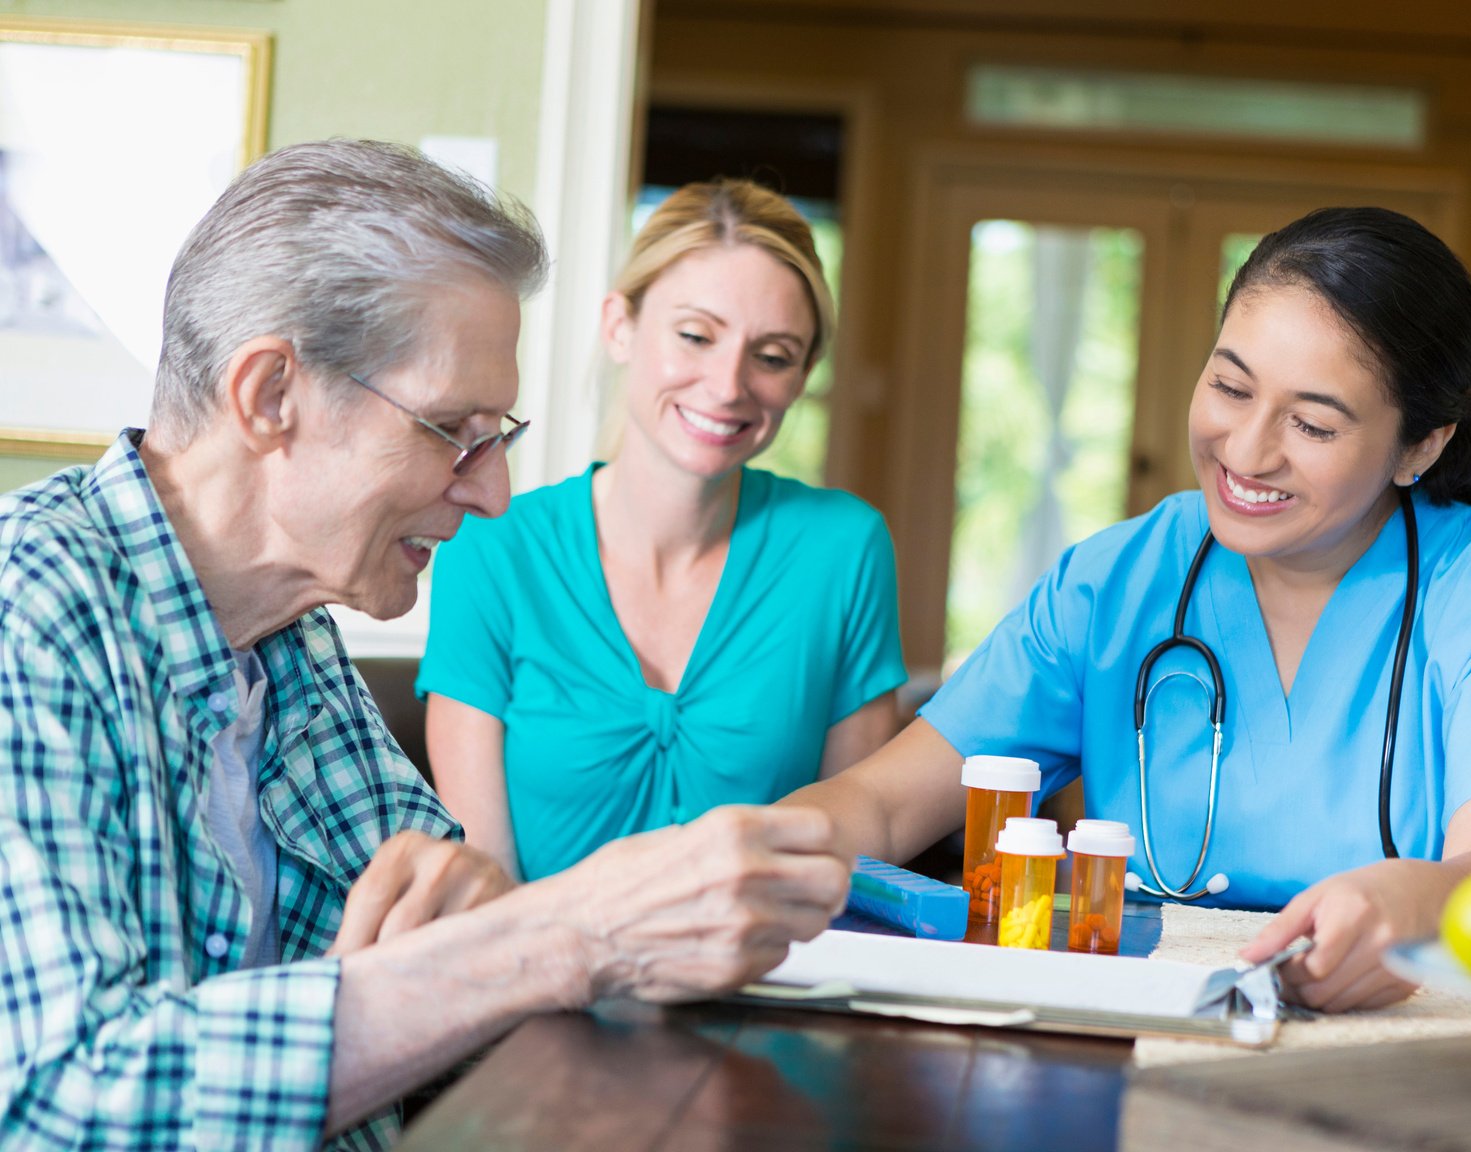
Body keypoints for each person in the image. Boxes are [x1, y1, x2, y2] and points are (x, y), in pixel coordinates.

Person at [0, 140, 849, 1150]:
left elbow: (466, 929)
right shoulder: (32, 611)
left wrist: (491, 928)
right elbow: (63, 1099)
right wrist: (553, 935)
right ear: (272, 396)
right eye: (455, 430)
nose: (493, 493)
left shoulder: (287, 639)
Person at [778, 206, 1471, 1013]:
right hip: (1135, 1034)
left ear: (1421, 446)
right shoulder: (1113, 582)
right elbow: (883, 804)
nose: (1247, 451)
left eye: (1314, 426)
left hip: (1404, 1058)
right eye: (1229, 386)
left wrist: (1416, 895)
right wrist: (725, 852)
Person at [418, 178, 906, 881]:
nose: (729, 384)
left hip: (772, 985)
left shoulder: (845, 551)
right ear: (620, 325)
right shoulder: (491, 546)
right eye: (696, 336)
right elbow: (483, 877)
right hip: (539, 980)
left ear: (802, 377)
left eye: (772, 356)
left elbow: (849, 867)